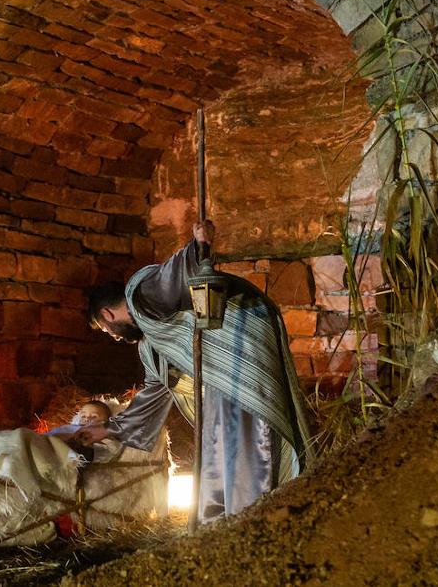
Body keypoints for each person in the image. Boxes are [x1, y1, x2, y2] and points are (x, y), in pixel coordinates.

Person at [74, 221, 313, 523]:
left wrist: (197, 246)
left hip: (239, 341)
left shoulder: (140, 293)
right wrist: (106, 430)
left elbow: (169, 277)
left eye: (107, 331)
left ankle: (254, 513)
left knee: (246, 434)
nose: (114, 337)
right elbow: (154, 393)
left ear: (107, 315)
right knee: (218, 439)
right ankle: (228, 519)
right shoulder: (150, 344)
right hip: (217, 377)